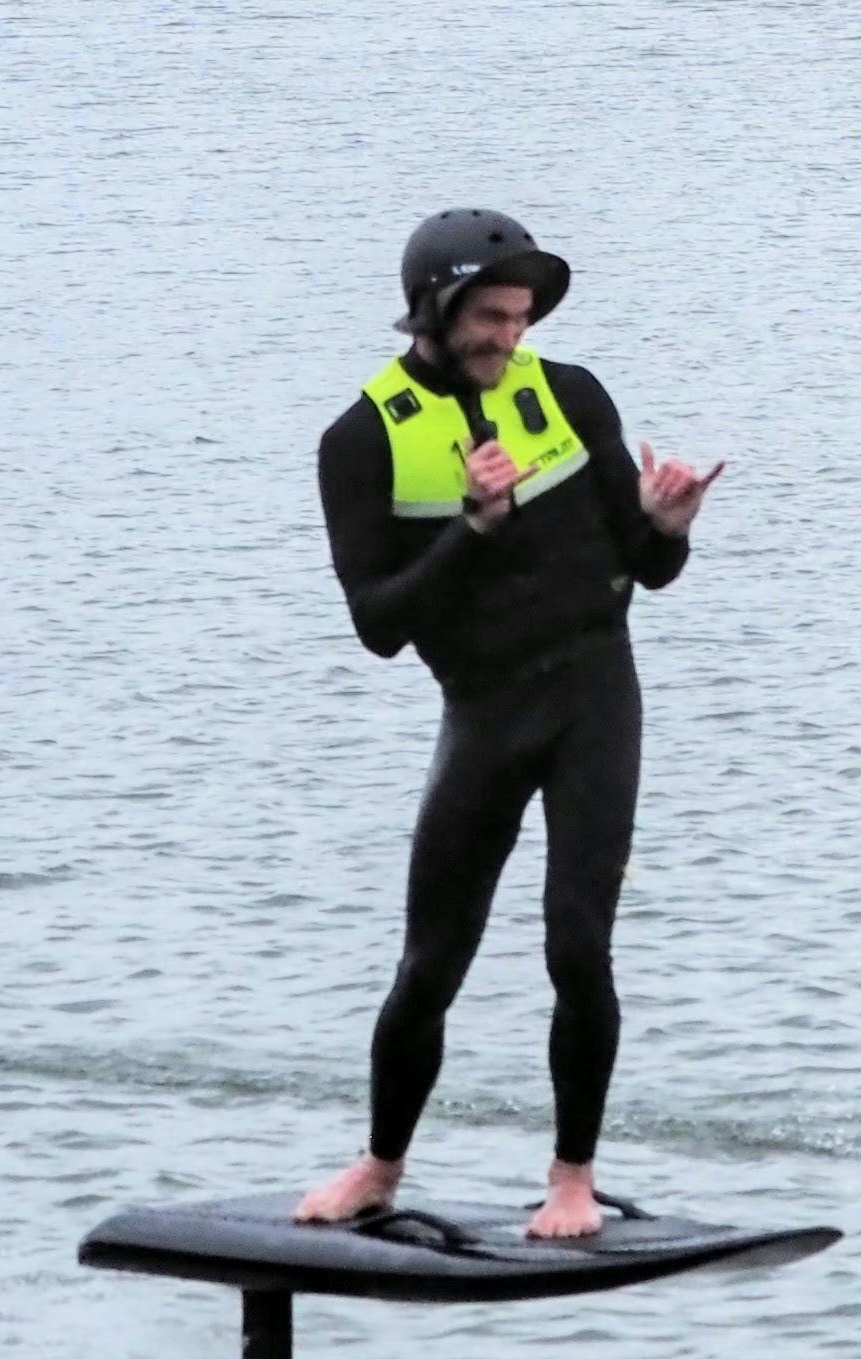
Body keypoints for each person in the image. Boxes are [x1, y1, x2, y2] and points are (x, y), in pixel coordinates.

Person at [297, 208, 724, 1236]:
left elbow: (646, 565)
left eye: (521, 318)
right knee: (429, 964)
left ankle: (571, 1181)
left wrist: (667, 530)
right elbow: (378, 626)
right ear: (432, 311)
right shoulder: (361, 440)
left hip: (593, 696)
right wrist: (473, 529)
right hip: (483, 711)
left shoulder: (569, 396)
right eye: (489, 317)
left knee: (577, 948)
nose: (508, 337)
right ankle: (379, 1167)